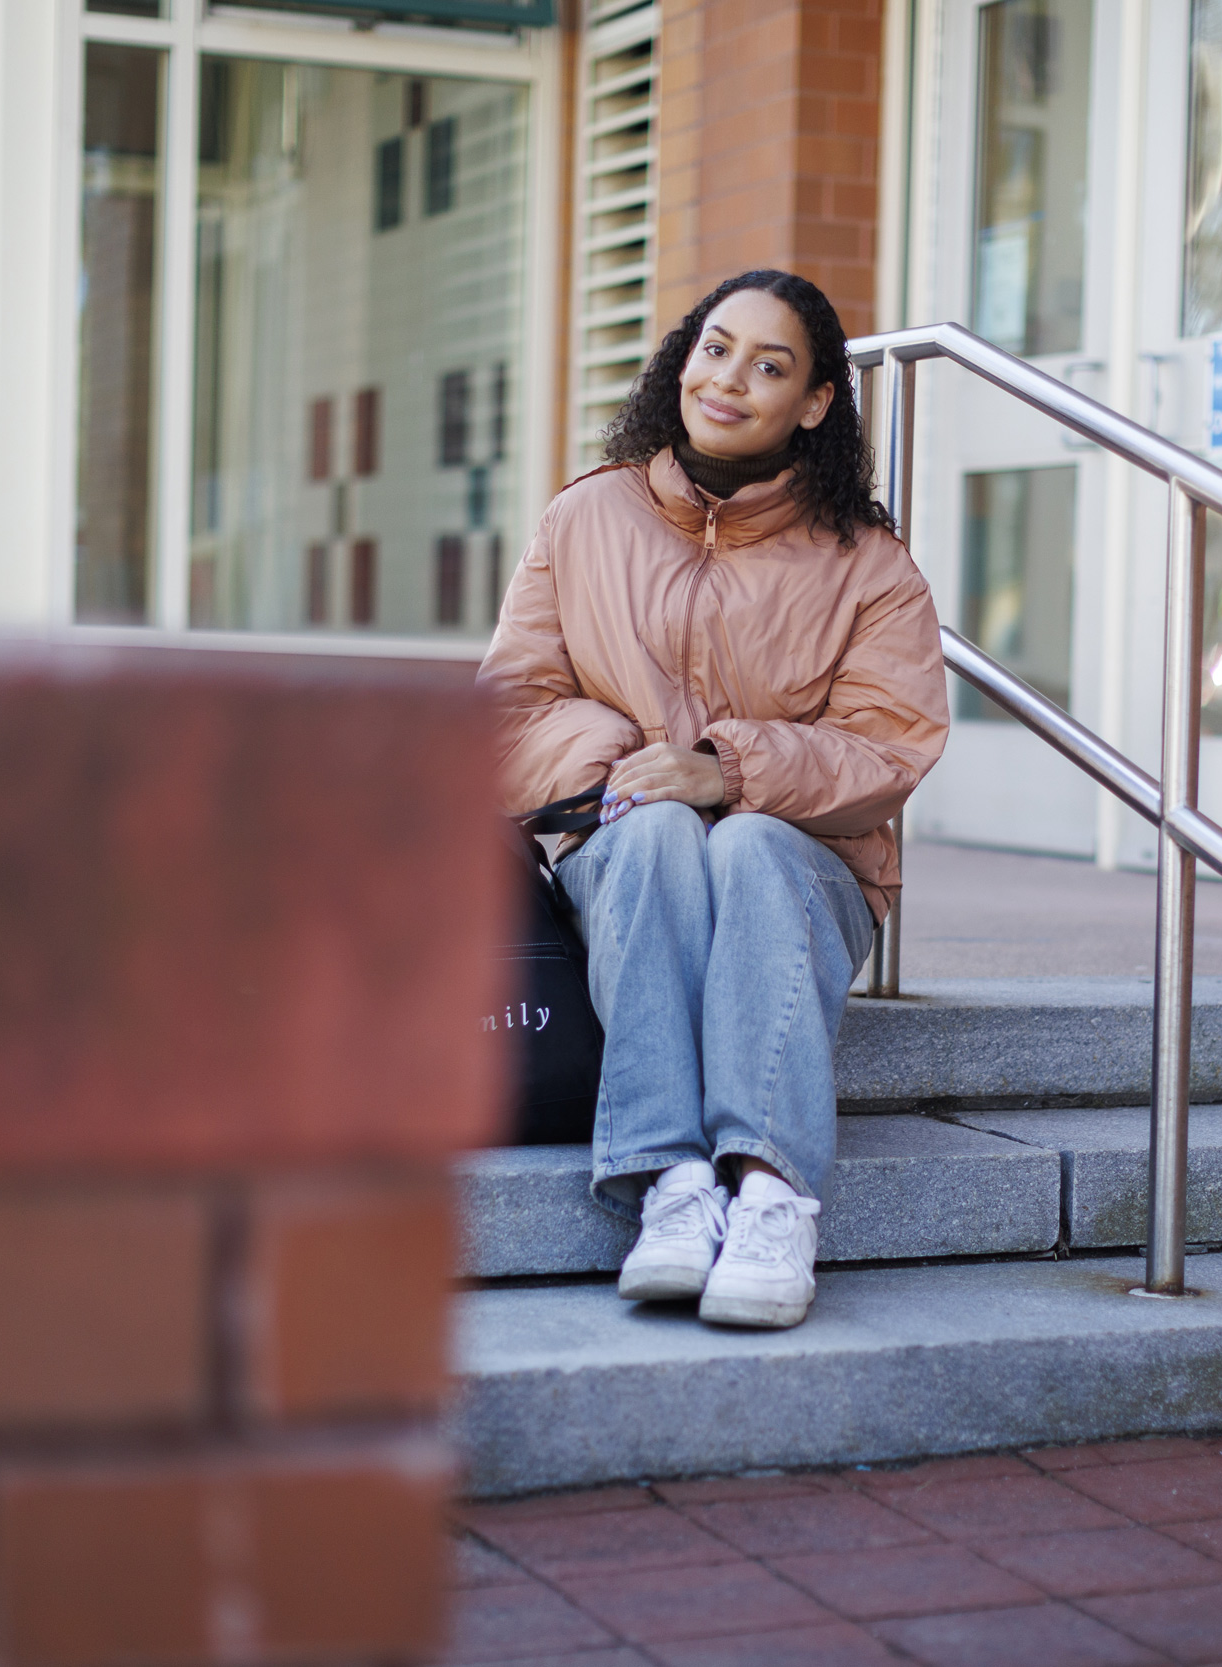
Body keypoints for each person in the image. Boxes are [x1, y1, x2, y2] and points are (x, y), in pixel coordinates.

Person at [478, 270, 948, 1330]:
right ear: (683, 357)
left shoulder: (866, 565)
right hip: (623, 851)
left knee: (739, 850)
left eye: (769, 365)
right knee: (653, 839)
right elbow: (506, 715)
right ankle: (672, 1185)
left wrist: (724, 771)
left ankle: (771, 1191)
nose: (729, 379)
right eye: (715, 347)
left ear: (816, 402)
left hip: (803, 867)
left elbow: (888, 744)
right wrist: (628, 760)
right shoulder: (585, 515)